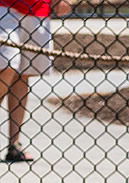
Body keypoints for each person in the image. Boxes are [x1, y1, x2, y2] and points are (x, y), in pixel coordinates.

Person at [0, 0, 72, 162]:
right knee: (7, 64)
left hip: (38, 9)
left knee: (22, 74)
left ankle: (14, 144)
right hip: (4, 5)